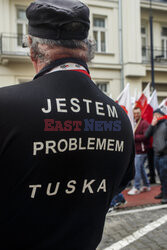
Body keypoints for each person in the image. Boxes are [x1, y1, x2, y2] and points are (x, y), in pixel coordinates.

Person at [0, 0, 135, 249]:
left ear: (31, 47)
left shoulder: (5, 105)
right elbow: (119, 183)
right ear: (88, 48)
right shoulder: (120, 117)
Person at [145, 109, 167, 204]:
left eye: (157, 115)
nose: (156, 117)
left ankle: (166, 195)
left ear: (162, 115)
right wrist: (152, 125)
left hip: (165, 154)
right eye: (154, 115)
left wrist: (164, 147)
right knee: (160, 176)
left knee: (165, 176)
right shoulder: (154, 125)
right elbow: (146, 135)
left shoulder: (165, 123)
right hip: (156, 154)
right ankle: (163, 192)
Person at [128, 107, 150, 195]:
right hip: (137, 150)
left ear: (141, 113)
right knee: (141, 168)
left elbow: (146, 136)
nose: (136, 115)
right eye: (134, 113)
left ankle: (136, 187)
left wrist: (134, 137)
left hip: (142, 151)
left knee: (137, 169)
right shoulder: (135, 123)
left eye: (137, 113)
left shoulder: (144, 123)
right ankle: (146, 185)